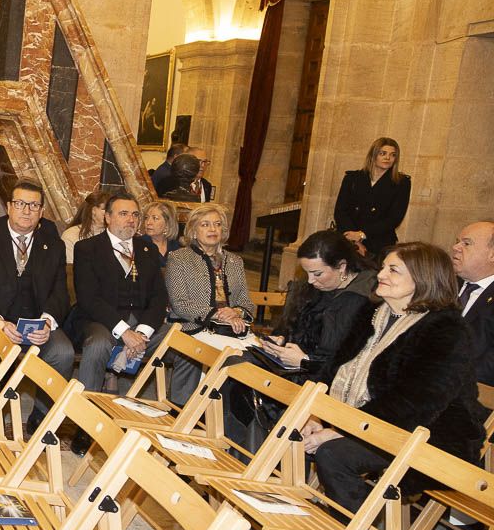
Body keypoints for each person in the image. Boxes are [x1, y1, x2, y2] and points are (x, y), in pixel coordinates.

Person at [304, 242, 488, 513]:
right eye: (382, 268)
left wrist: (338, 430)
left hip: (430, 436)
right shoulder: (372, 313)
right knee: (293, 426)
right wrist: (317, 416)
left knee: (334, 453)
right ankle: (301, 507)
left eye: (393, 270)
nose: (380, 275)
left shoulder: (445, 329)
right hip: (372, 422)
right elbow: (335, 367)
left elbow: (412, 404)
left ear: (422, 278)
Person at [224, 230, 377, 451]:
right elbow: (294, 327)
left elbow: (346, 363)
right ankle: (242, 452)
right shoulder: (315, 288)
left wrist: (304, 360)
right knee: (237, 366)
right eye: (307, 273)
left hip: (322, 377)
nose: (311, 281)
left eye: (317, 273)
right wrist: (281, 338)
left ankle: (259, 458)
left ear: (342, 267)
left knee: (254, 384)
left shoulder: (360, 300)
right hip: (295, 365)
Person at [0, 179, 74, 420]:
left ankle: (42, 415)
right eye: (21, 204)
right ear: (9, 206)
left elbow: (60, 293)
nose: (27, 211)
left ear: (42, 212)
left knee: (64, 352)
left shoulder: (53, 245)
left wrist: (47, 322)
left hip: (37, 322)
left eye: (34, 206)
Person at [71, 194, 167, 419]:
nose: (131, 220)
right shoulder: (87, 248)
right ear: (107, 217)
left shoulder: (147, 250)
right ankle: (84, 419)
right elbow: (89, 298)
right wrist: (124, 332)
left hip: (142, 324)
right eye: (123, 214)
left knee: (181, 339)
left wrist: (142, 333)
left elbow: (158, 297)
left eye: (135, 214)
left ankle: (179, 414)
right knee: (98, 344)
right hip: (100, 321)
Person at [165, 203, 255, 334]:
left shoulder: (235, 261)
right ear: (194, 232)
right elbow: (180, 304)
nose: (213, 229)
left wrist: (236, 312)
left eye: (217, 224)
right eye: (205, 225)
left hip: (232, 328)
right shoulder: (179, 258)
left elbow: (246, 301)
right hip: (191, 329)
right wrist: (219, 315)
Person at [333, 137, 411, 259]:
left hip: (379, 242)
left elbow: (394, 218)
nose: (387, 158)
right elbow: (340, 210)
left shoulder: (401, 183)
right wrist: (355, 241)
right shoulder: (352, 178)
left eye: (393, 155)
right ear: (373, 155)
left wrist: (362, 234)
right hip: (348, 239)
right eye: (383, 153)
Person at [453, 221, 494, 384]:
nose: (455, 247)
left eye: (466, 243)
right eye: (457, 241)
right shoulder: (445, 285)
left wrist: (443, 377)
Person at [60, 191, 111, 264]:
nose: (111, 213)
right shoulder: (71, 235)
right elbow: (70, 269)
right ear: (93, 211)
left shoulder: (114, 233)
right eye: (106, 209)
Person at [141, 201, 179, 267]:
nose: (148, 222)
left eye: (155, 218)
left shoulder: (177, 247)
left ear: (167, 224)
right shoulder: (138, 245)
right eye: (146, 218)